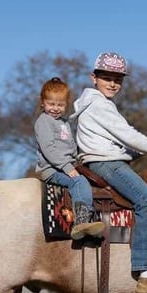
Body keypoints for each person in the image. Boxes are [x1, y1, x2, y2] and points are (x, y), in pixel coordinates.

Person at [70, 52, 147, 293]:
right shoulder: (99, 104)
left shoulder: (95, 104)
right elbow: (128, 135)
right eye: (106, 78)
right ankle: (146, 275)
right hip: (108, 165)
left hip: (106, 161)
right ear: (94, 78)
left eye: (118, 79)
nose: (112, 83)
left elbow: (121, 146)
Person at [35, 77, 105, 240]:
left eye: (60, 105)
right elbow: (49, 149)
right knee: (78, 182)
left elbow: (71, 147)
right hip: (52, 169)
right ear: (43, 103)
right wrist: (68, 168)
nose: (55, 109)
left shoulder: (63, 122)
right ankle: (81, 220)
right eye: (51, 104)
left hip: (66, 164)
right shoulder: (44, 122)